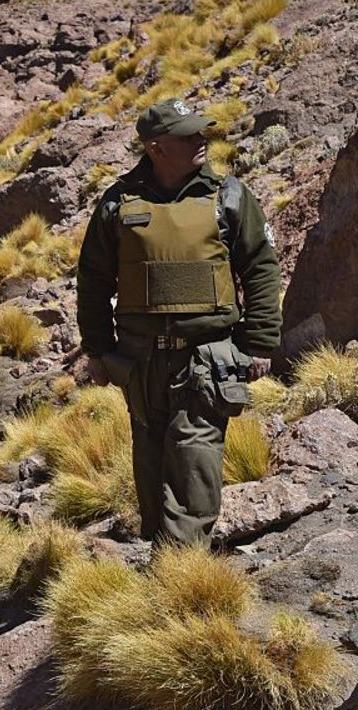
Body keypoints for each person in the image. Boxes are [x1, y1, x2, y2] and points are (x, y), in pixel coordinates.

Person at [76, 98, 283, 547]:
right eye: (188, 135)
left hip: (206, 359)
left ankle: (177, 569)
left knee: (194, 461)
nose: (200, 140)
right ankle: (162, 549)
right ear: (155, 147)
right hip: (140, 363)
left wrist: (261, 343)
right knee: (150, 466)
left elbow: (261, 268)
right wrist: (97, 350)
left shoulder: (229, 196)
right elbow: (93, 279)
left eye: (201, 132)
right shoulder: (118, 203)